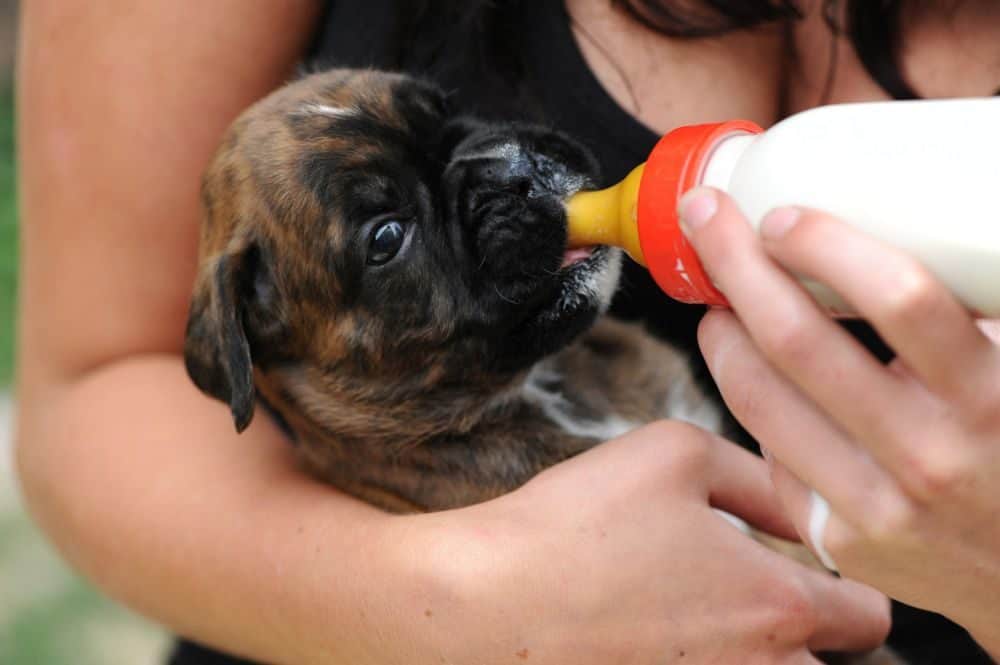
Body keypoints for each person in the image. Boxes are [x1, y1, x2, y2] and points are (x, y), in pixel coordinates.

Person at [12, 1, 998, 664]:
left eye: (454, 129)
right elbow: (96, 377)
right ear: (244, 339)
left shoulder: (615, 356)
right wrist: (441, 602)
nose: (504, 174)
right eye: (390, 234)